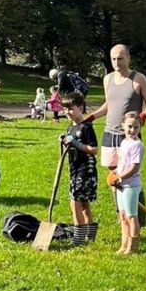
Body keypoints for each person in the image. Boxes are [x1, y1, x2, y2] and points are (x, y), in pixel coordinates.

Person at [83, 44, 146, 172]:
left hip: (128, 133)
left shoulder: (138, 79)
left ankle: (136, 193)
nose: (116, 62)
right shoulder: (107, 79)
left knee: (129, 175)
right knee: (113, 177)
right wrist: (91, 117)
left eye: (120, 58)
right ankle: (116, 193)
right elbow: (108, 105)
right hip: (109, 133)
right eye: (113, 59)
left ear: (128, 58)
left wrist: (141, 117)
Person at [58, 92, 99, 245]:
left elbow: (94, 149)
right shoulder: (70, 128)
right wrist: (64, 142)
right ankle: (89, 235)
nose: (66, 112)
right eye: (64, 109)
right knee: (83, 204)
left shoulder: (86, 127)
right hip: (74, 169)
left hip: (85, 170)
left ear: (81, 108)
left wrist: (76, 143)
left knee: (74, 201)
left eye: (70, 109)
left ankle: (79, 238)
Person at [110, 112, 144, 254]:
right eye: (129, 126)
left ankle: (133, 246)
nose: (132, 130)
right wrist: (115, 173)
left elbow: (134, 167)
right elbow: (123, 162)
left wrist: (120, 177)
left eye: (136, 127)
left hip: (131, 185)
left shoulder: (137, 145)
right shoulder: (124, 143)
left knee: (131, 216)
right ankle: (124, 244)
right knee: (123, 215)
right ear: (123, 125)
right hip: (121, 184)